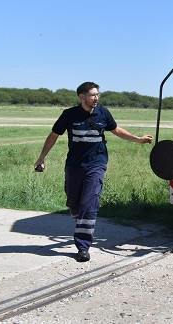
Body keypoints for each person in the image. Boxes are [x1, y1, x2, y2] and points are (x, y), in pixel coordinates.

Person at [34, 82, 153, 262]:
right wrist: (41, 158)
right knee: (74, 204)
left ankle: (83, 246)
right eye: (92, 95)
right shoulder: (69, 115)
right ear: (82, 97)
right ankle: (79, 217)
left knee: (89, 204)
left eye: (98, 94)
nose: (96, 98)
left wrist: (138, 139)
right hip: (74, 165)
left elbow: (116, 130)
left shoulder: (103, 112)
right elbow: (53, 135)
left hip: (97, 164)